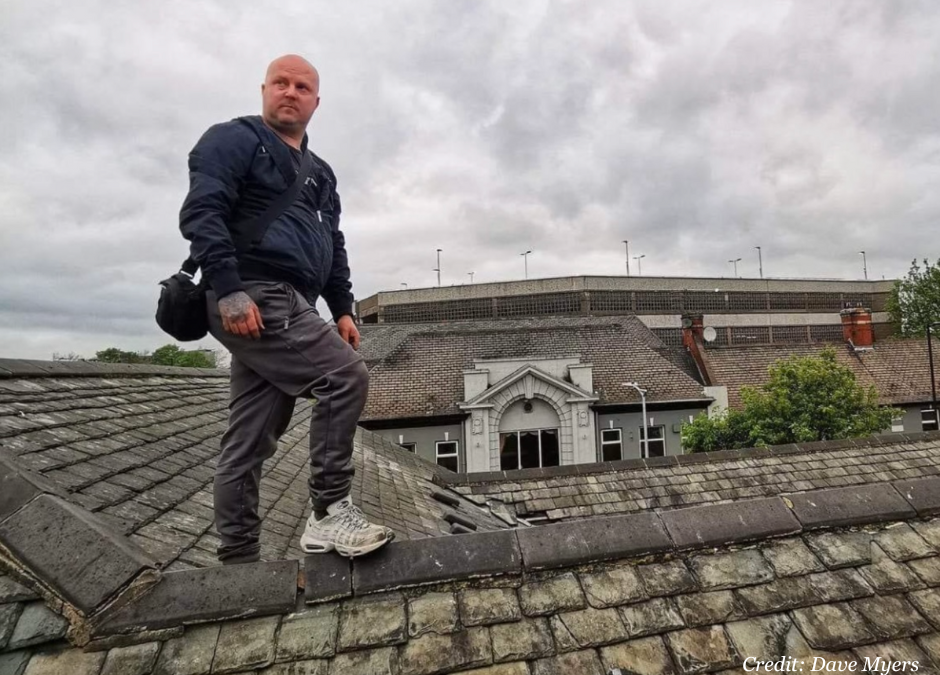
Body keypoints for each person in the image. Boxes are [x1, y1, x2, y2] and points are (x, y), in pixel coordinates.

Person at [179, 55, 393, 565]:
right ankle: (328, 511)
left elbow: (331, 241)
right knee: (345, 378)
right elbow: (202, 212)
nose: (290, 92)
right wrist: (229, 290)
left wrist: (343, 307)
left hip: (292, 300)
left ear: (316, 102)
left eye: (302, 86)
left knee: (250, 437)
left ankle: (238, 558)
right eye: (281, 83)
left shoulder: (319, 173)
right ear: (263, 89)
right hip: (254, 292)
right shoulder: (233, 139)